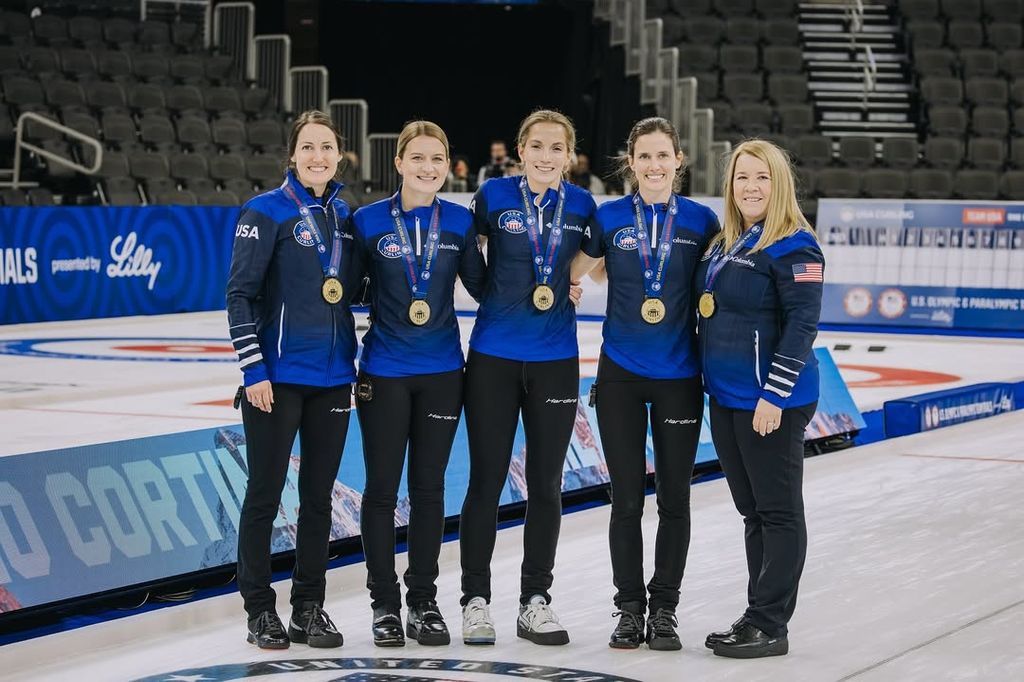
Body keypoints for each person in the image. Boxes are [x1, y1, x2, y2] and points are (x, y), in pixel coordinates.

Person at [571, 117, 718, 651]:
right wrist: (575, 284)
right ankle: (629, 609)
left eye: (664, 156)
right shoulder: (608, 217)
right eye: (644, 157)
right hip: (620, 380)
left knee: (675, 498)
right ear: (630, 163)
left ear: (679, 160)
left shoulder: (702, 220)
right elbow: (576, 270)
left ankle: (666, 611)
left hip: (680, 378)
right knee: (627, 500)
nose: (654, 166)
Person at [459, 109, 598, 647]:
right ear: (521, 150)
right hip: (493, 356)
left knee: (545, 484)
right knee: (486, 482)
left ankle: (535, 600)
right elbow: (465, 255)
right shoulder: (492, 196)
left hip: (555, 359)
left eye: (556, 148)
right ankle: (475, 600)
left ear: (569, 154)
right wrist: (493, 295)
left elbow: (590, 259)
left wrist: (565, 281)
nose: (545, 156)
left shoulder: (584, 205)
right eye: (536, 146)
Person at [226, 110, 361, 650]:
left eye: (326, 147)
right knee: (263, 496)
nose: (318, 156)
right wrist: (254, 369)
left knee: (318, 500)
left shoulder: (344, 217)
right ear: (292, 154)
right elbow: (240, 294)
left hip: (332, 380)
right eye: (308, 147)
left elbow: (351, 289)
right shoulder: (264, 212)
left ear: (338, 155)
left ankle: (309, 606)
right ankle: (260, 609)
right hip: (276, 382)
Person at [351, 120, 486, 648]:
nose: (428, 168)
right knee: (382, 491)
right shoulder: (366, 222)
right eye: (418, 158)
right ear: (399, 162)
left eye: (438, 159)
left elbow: (481, 286)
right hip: (383, 373)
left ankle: (423, 602)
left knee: (429, 491)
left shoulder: (457, 221)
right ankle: (384, 605)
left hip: (442, 375)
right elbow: (344, 292)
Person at [697, 139, 824, 659]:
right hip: (726, 398)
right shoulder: (726, 242)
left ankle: (771, 624)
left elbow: (802, 326)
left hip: (770, 402)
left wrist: (774, 395)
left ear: (780, 184)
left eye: (762, 177)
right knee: (753, 513)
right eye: (742, 177)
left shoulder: (796, 245)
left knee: (778, 513)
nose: (751, 187)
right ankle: (757, 614)